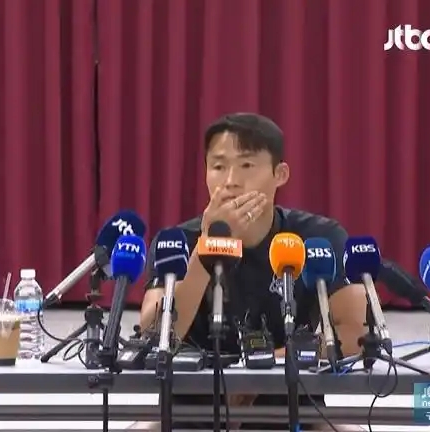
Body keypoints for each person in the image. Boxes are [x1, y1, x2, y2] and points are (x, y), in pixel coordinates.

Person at [132, 113, 367, 431]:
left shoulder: (318, 238)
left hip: (291, 403)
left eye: (246, 165)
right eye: (218, 166)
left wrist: (258, 372)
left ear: (280, 174)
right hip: (190, 408)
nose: (230, 181)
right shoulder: (177, 242)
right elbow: (152, 337)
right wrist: (206, 248)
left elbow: (355, 335)